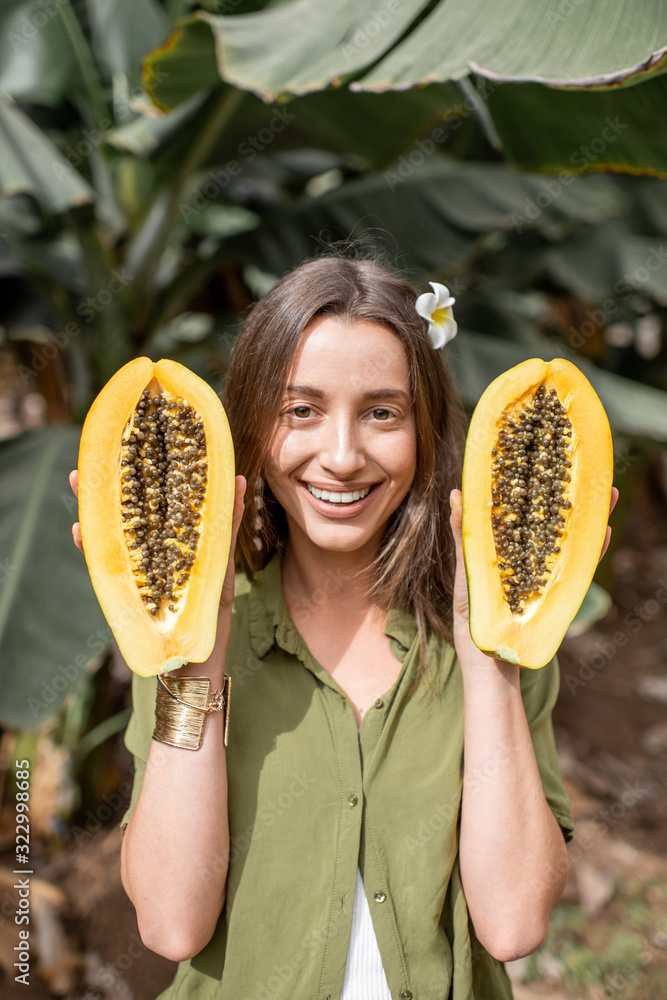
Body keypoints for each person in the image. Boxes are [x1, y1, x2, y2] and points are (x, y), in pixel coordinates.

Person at [70, 254, 617, 1000]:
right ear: (255, 424)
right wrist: (191, 657)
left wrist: (489, 658)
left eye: (381, 412)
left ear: (424, 428)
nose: (340, 455)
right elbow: (171, 923)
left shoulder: (494, 643)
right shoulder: (185, 648)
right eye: (301, 410)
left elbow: (513, 923)